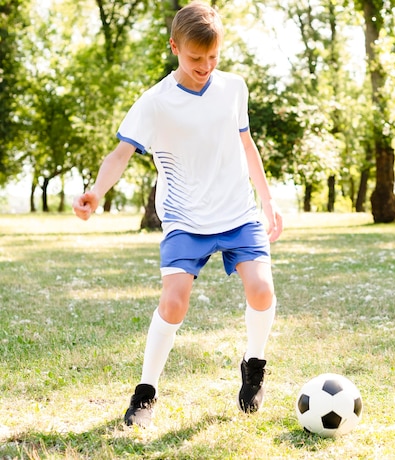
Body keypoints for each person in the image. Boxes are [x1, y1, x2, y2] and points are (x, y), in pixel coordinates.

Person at [73, 1, 283, 428]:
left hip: (238, 212)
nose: (205, 65)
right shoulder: (156, 102)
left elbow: (247, 146)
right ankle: (146, 391)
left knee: (261, 291)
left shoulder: (234, 88)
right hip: (186, 219)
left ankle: (254, 364)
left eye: (212, 57)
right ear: (174, 47)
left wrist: (268, 200)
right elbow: (120, 154)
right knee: (173, 302)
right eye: (195, 58)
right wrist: (96, 191)